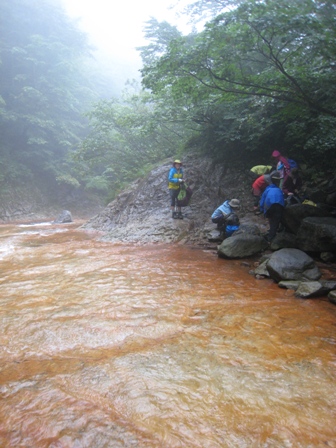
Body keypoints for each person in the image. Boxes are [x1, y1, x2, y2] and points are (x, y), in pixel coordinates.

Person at [259, 174, 285, 242]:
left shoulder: (267, 190)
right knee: (276, 220)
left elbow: (262, 201)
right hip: (279, 206)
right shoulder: (279, 190)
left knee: (271, 219)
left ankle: (270, 238)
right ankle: (274, 231)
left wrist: (262, 210)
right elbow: (282, 199)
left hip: (270, 206)